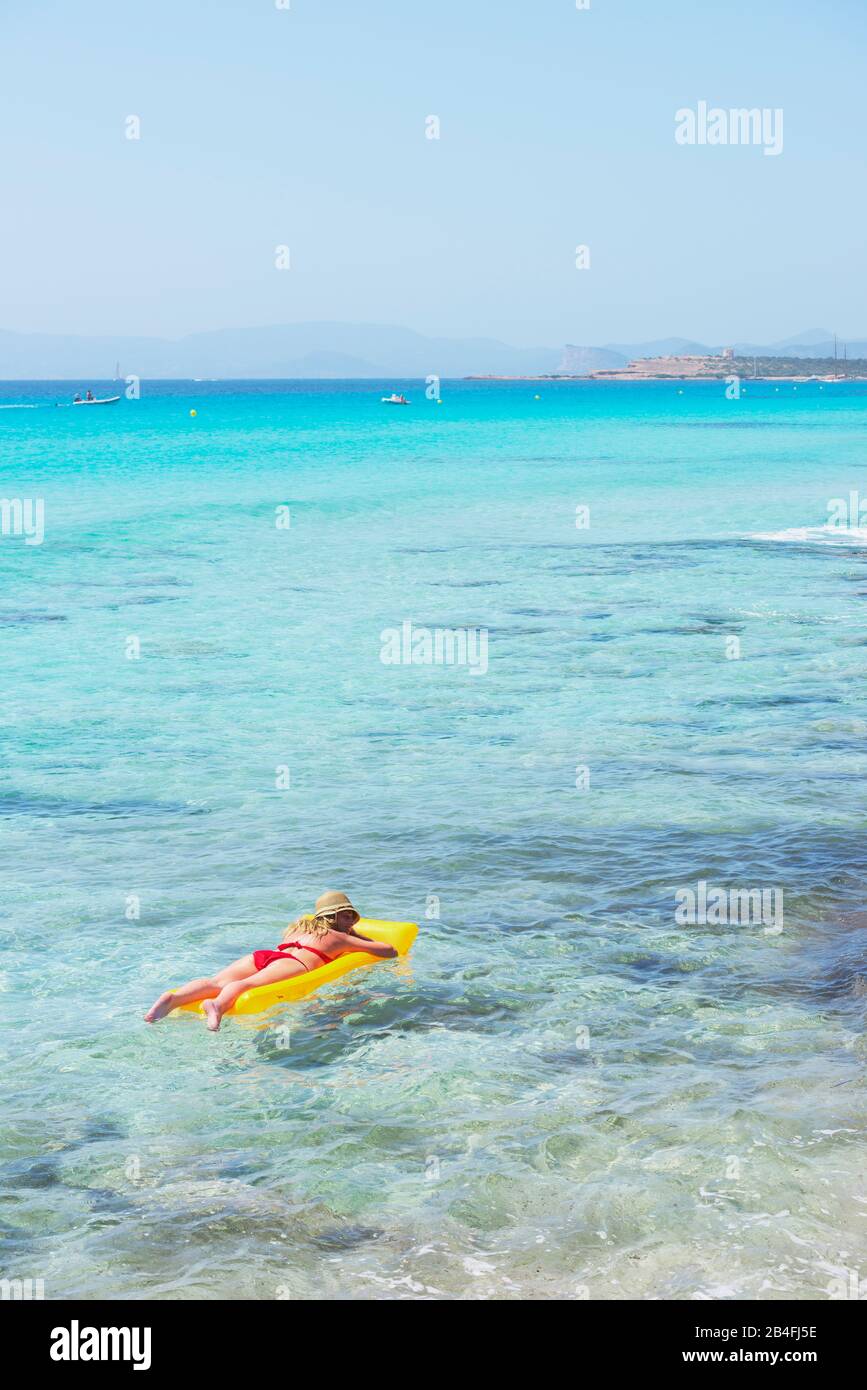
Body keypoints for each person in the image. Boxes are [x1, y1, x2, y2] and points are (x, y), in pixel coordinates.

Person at [144, 891, 397, 1031]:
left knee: (217, 980)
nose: (351, 922)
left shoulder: (298, 927)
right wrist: (355, 935)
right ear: (337, 917)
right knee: (249, 985)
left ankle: (172, 999)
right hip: (294, 964)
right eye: (349, 917)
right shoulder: (340, 937)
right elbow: (388, 950)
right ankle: (217, 1007)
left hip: (265, 955)